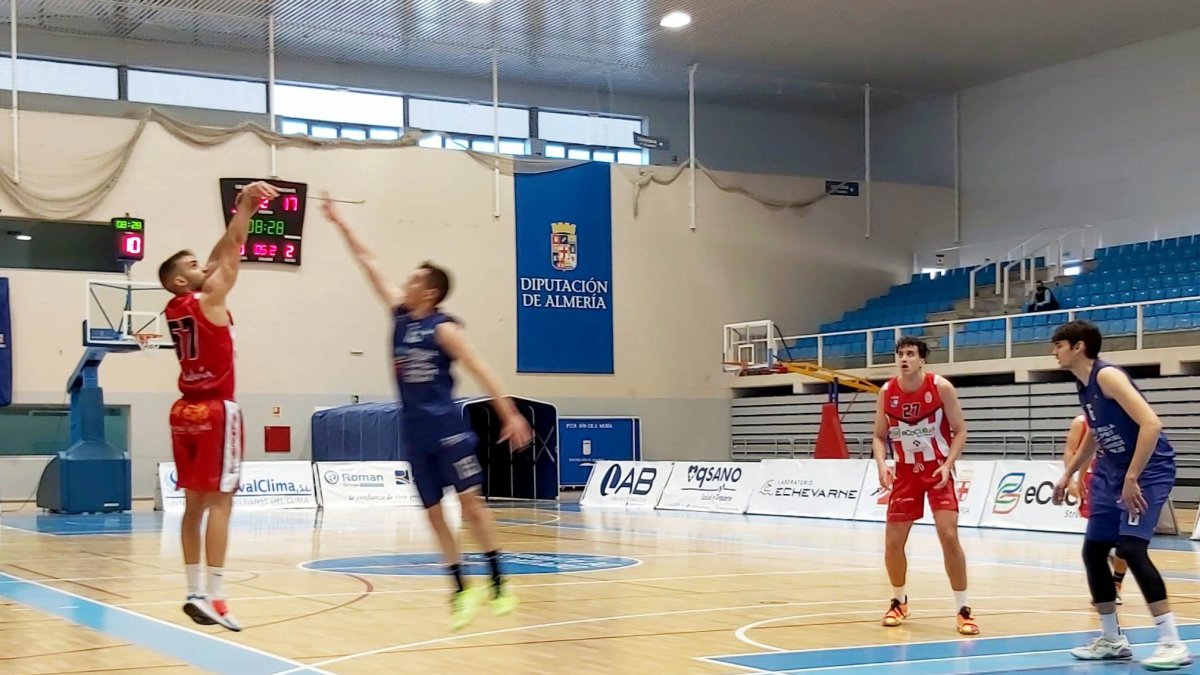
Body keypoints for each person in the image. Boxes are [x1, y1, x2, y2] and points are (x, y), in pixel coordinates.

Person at [321, 193, 533, 631]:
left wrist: (509, 413)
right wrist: (340, 222)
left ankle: (498, 583)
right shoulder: (400, 317)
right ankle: (460, 590)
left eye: (414, 280)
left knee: (471, 505)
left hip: (447, 428)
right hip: (415, 433)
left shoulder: (444, 329)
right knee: (435, 515)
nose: (405, 283)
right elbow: (369, 262)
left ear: (430, 291)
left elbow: (480, 368)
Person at [157, 180, 279, 631]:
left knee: (193, 507)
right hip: (215, 411)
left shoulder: (177, 306)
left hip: (183, 411)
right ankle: (218, 596)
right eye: (193, 265)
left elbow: (215, 255)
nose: (203, 264)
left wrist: (236, 215)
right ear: (181, 280)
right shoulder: (211, 299)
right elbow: (233, 251)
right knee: (222, 504)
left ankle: (192, 590)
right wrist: (245, 206)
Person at [1051, 320, 1191, 669]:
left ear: (1079, 346)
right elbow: (1096, 435)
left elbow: (1151, 424)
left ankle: (1172, 642)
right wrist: (1068, 473)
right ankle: (1112, 639)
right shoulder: (1083, 386)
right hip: (1112, 473)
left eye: (1058, 345)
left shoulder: (1107, 376)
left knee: (1130, 548)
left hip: (1148, 471)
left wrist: (1132, 476)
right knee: (1094, 550)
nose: (1054, 352)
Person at [871, 337, 978, 635]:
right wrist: (882, 464)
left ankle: (963, 609)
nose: (904, 359)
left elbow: (960, 430)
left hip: (937, 472)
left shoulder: (940, 387)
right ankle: (899, 600)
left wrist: (948, 464)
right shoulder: (886, 392)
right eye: (900, 354)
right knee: (893, 543)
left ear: (922, 360)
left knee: (948, 535)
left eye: (910, 354)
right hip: (905, 474)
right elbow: (879, 436)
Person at [1063, 414, 1128, 604]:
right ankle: (1111, 586)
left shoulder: (1124, 419)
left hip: (1121, 480)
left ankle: (1116, 581)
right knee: (1099, 541)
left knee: (1125, 542)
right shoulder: (1081, 422)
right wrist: (1072, 480)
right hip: (1094, 481)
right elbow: (1070, 451)